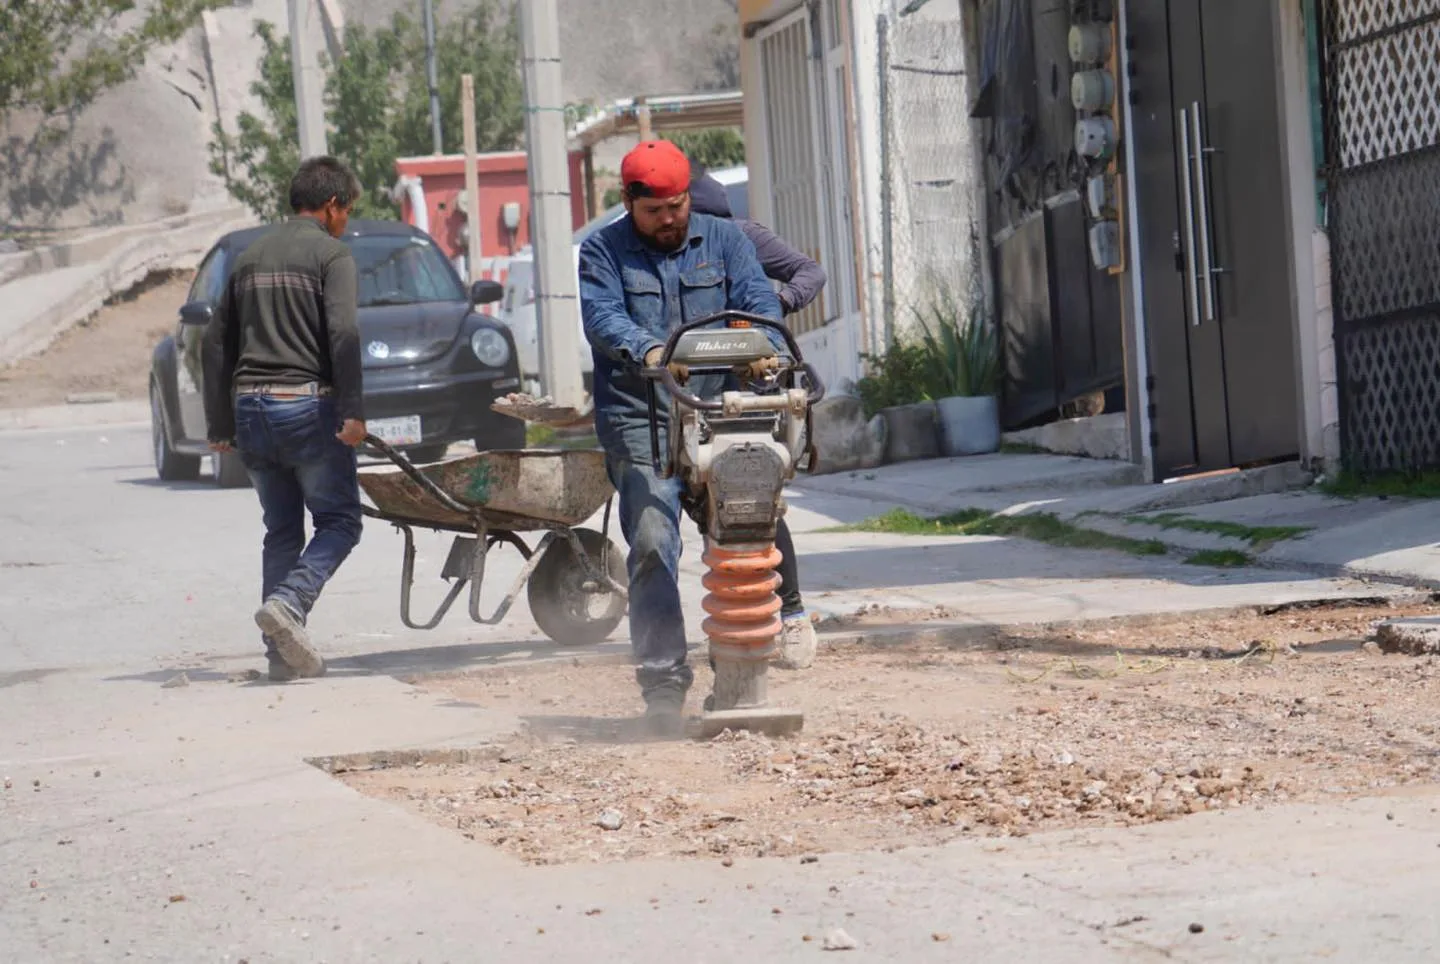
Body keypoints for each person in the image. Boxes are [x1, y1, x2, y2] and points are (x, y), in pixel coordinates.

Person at [579, 140, 787, 730]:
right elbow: (603, 318)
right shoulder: (602, 250)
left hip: (724, 410)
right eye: (656, 211)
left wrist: (762, 350)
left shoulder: (725, 241)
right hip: (641, 417)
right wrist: (649, 349)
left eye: (677, 206)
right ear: (629, 202)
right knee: (650, 544)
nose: (670, 219)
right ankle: (663, 686)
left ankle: (741, 670)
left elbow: (759, 305)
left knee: (744, 536)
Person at [202, 156, 368, 683]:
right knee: (340, 521)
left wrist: (220, 424)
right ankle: (292, 604)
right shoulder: (331, 254)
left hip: (250, 410)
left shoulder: (248, 256)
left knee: (281, 531)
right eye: (347, 211)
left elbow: (213, 341)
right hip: (305, 407)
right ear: (332, 206)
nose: (347, 222)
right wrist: (353, 411)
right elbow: (343, 334)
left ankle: (279, 657)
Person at [688, 170, 826, 670]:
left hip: (752, 386)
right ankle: (735, 621)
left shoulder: (745, 236)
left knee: (756, 499)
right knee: (704, 503)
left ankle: (790, 616)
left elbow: (810, 273)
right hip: (691, 389)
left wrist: (770, 313)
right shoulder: (667, 249)